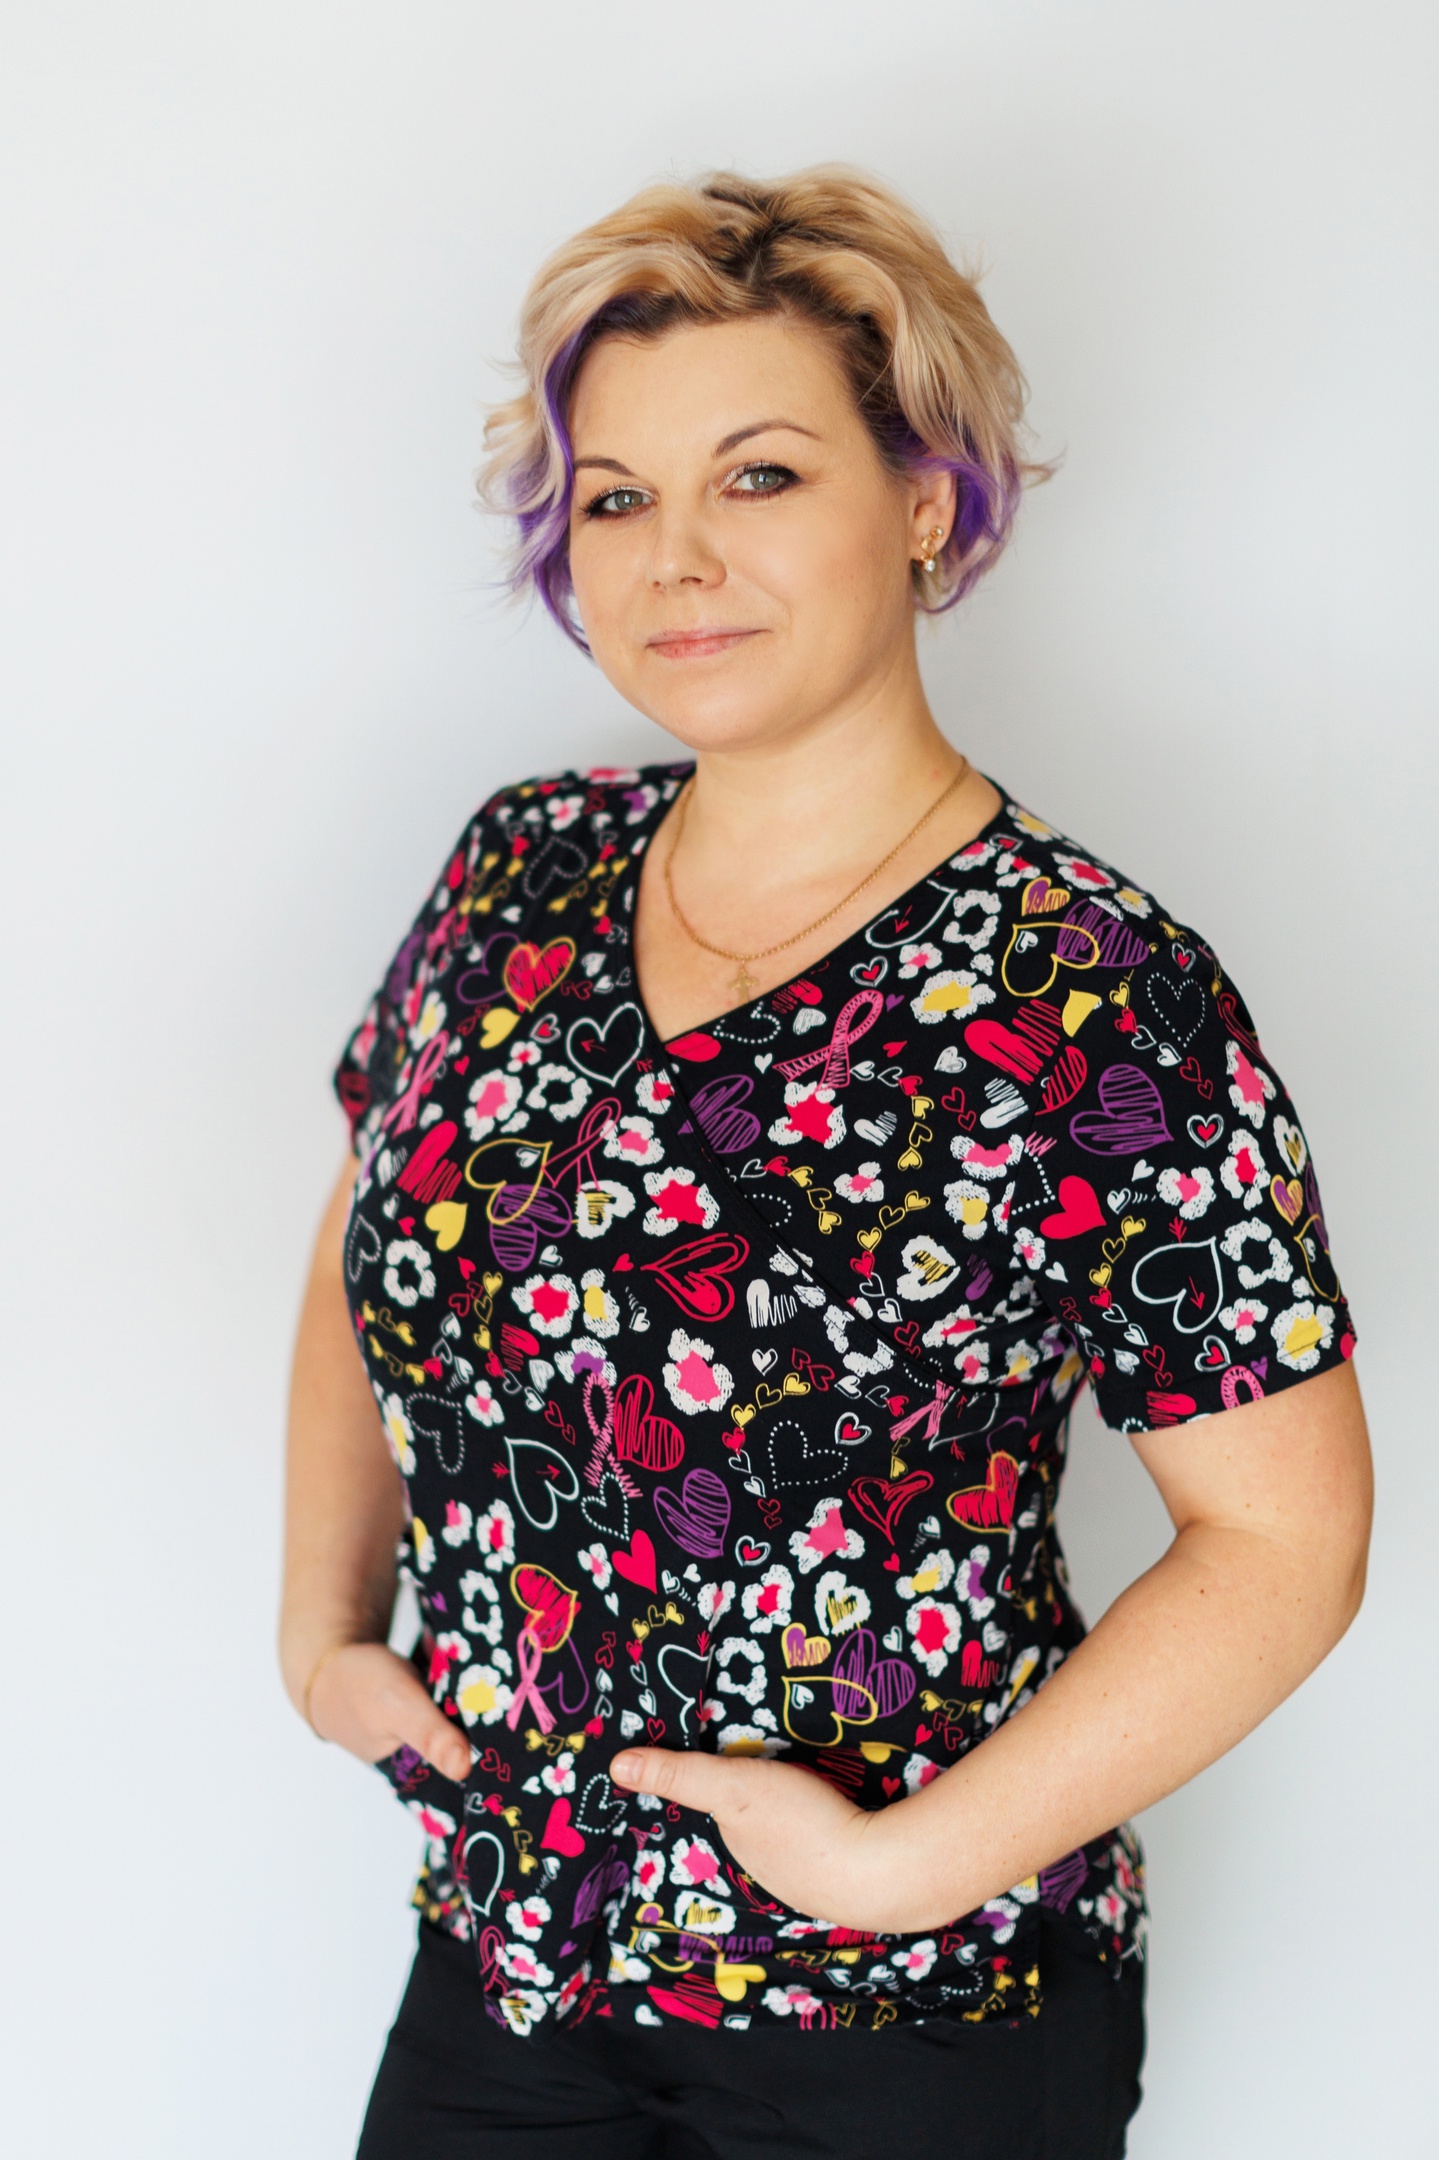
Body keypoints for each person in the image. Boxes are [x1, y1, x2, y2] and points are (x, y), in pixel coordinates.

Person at [280, 168, 1372, 2160]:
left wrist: (898, 1866)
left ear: (929, 504)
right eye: (618, 497)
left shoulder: (1091, 991)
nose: (677, 558)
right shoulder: (518, 870)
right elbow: (375, 1230)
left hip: (913, 2012)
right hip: (513, 1950)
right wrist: (320, 1629)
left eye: (761, 475)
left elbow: (1283, 1545)